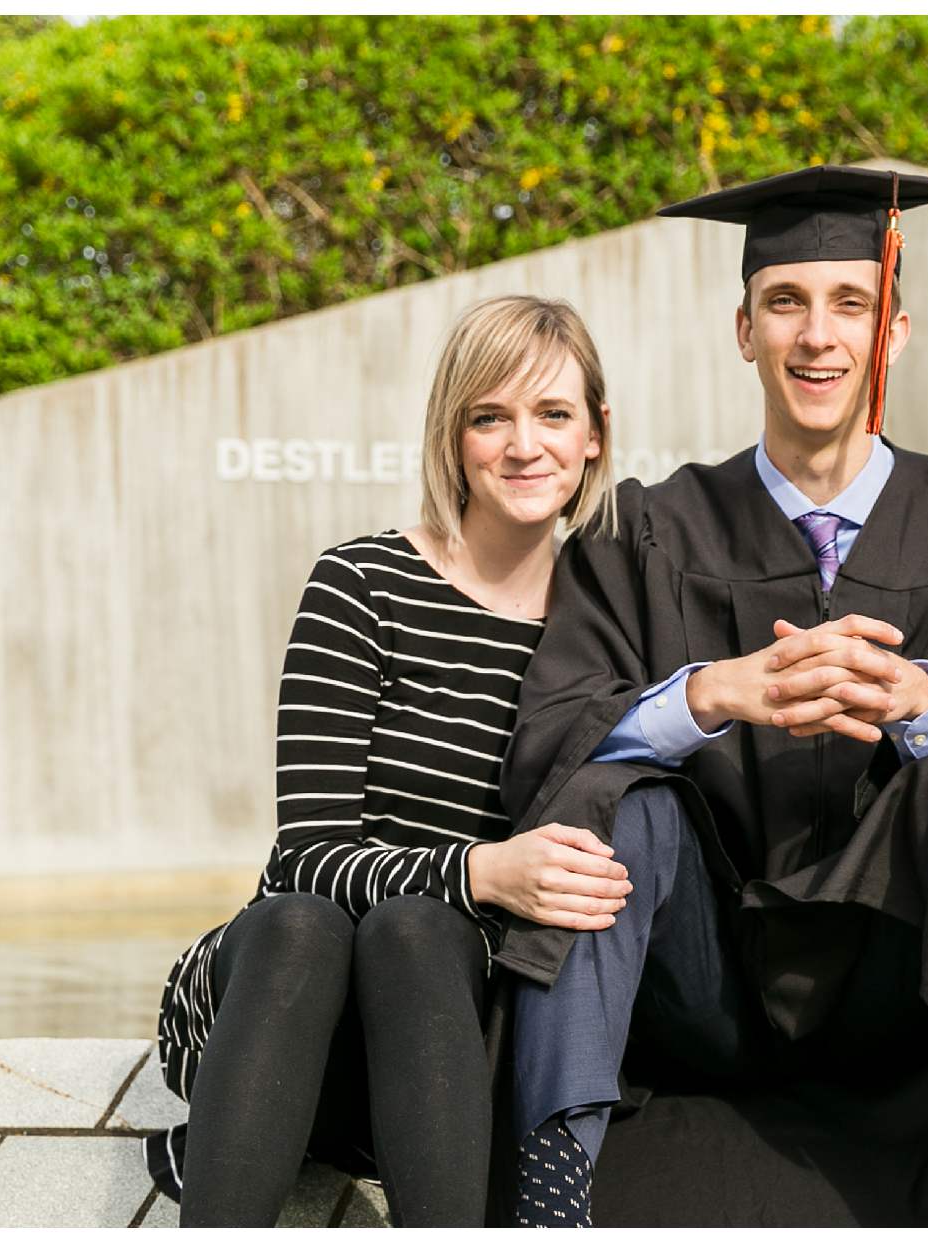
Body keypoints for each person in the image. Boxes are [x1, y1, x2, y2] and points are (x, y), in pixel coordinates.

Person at [497, 166, 928, 1228]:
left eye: (848, 305)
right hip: (702, 976)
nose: (817, 335)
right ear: (743, 329)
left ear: (892, 333)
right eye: (786, 303)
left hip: (903, 972)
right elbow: (544, 747)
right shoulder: (643, 532)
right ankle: (552, 1198)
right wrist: (704, 695)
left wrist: (923, 706)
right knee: (616, 803)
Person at [144, 296, 627, 1226]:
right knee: (302, 923)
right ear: (453, 437)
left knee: (416, 934)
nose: (523, 444)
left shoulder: (606, 625)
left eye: (552, 414)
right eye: (490, 416)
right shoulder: (360, 582)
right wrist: (482, 870)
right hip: (290, 1005)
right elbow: (308, 853)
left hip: (453, 1032)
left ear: (596, 436)